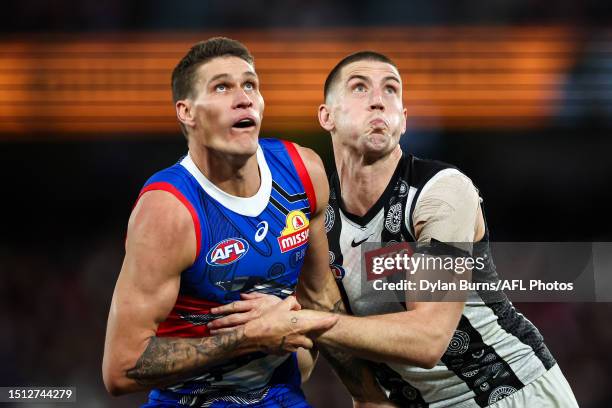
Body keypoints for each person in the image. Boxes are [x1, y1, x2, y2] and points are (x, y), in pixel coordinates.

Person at [210, 51, 580, 407]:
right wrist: (259, 335)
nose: (378, 101)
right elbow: (312, 352)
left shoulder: (442, 191)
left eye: (391, 90)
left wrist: (298, 320)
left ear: (403, 119)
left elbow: (428, 339)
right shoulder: (318, 219)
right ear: (327, 116)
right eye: (359, 88)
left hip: (517, 394)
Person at [101, 37, 343, 407]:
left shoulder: (303, 171)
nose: (244, 97)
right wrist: (249, 337)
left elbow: (321, 295)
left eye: (250, 84)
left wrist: (296, 328)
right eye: (222, 87)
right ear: (187, 112)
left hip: (281, 396)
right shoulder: (168, 210)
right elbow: (120, 367)